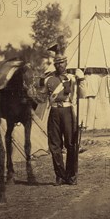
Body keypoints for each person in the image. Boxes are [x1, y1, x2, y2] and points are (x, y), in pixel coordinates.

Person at [44, 53, 85, 185]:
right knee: (55, 145)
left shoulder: (73, 78)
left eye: (62, 62)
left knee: (71, 144)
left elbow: (83, 95)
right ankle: (60, 175)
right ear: (54, 64)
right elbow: (42, 97)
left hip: (68, 111)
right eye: (57, 63)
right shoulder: (48, 79)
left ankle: (71, 175)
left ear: (66, 63)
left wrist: (82, 80)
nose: (59, 65)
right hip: (54, 111)